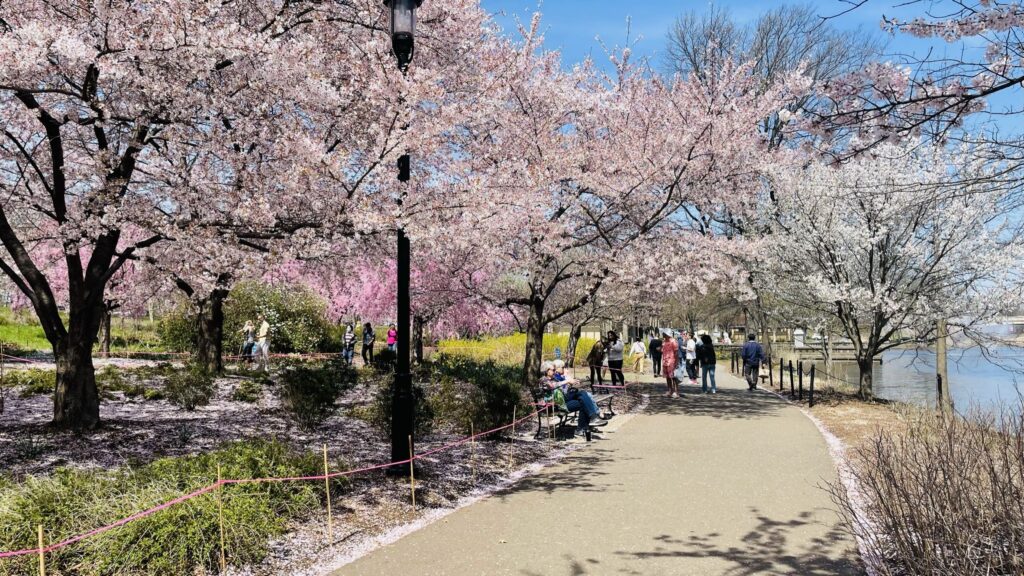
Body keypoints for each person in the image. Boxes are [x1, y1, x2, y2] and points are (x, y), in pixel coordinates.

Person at [539, 362, 608, 437]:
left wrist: (571, 383)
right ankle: (590, 420)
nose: (555, 371)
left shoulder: (554, 378)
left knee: (583, 399)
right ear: (547, 371)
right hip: (555, 405)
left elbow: (563, 391)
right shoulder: (543, 380)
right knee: (583, 397)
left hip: (562, 401)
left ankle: (583, 426)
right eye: (553, 369)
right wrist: (567, 381)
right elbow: (552, 386)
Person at [661, 331, 679, 398]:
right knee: (667, 377)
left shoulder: (673, 341)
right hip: (665, 361)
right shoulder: (664, 342)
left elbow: (676, 352)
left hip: (672, 361)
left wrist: (677, 362)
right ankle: (669, 391)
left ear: (667, 334)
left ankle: (676, 392)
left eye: (664, 333)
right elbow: (663, 350)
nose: (662, 334)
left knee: (673, 377)